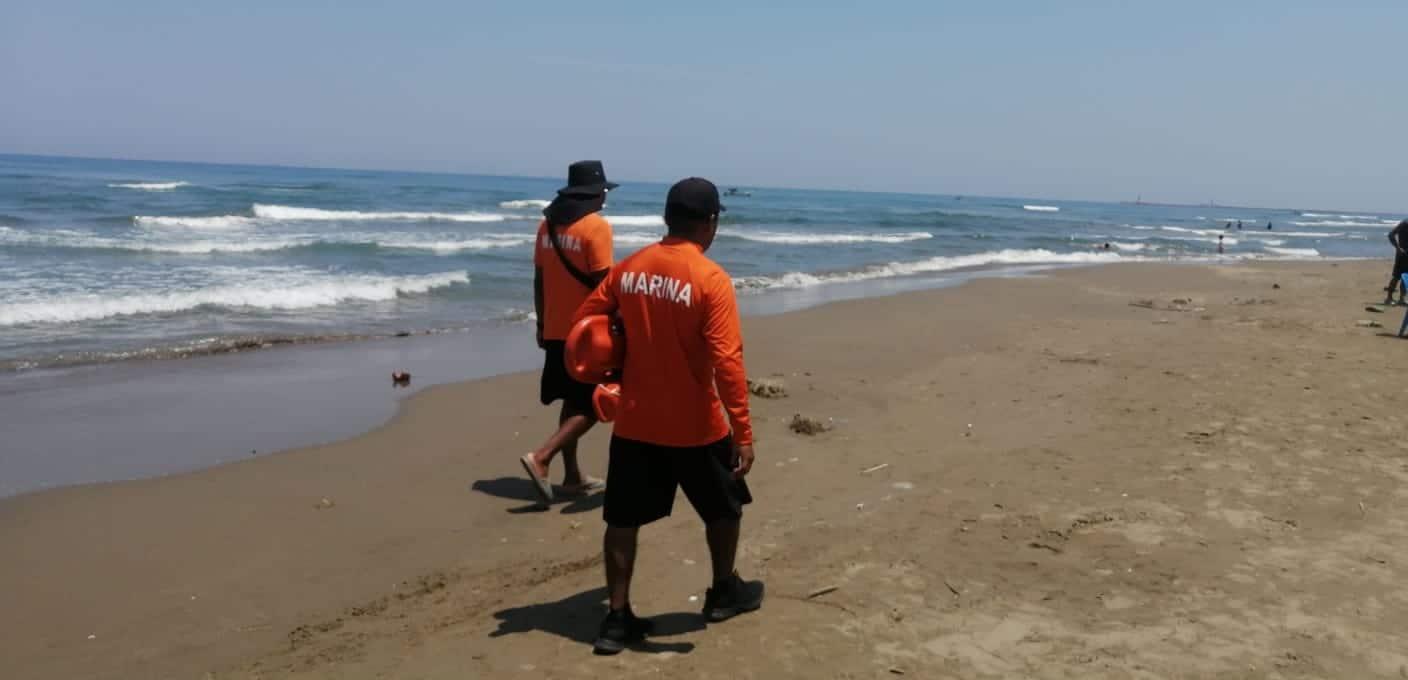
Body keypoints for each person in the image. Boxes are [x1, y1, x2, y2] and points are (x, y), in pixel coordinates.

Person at [573, 177, 763, 654]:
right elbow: (727, 361)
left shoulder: (629, 269)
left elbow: (587, 322)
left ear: (666, 218)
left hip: (636, 422)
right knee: (724, 508)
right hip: (697, 426)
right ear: (711, 222)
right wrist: (743, 430)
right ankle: (723, 593)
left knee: (622, 520)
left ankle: (616, 619)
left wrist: (613, 367)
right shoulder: (710, 279)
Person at [519, 161, 617, 503]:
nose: (605, 198)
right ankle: (542, 458)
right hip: (587, 335)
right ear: (595, 194)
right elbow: (605, 288)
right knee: (595, 403)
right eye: (603, 191)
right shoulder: (596, 228)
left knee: (572, 402)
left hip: (556, 330)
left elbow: (539, 279)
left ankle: (573, 477)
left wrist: (543, 323)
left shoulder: (546, 227)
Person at [1385, 219, 1408, 305]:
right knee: (1396, 276)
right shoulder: (1404, 223)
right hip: (1401, 255)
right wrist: (1398, 247)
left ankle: (1402, 299)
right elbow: (1391, 235)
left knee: (1406, 277)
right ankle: (1389, 298)